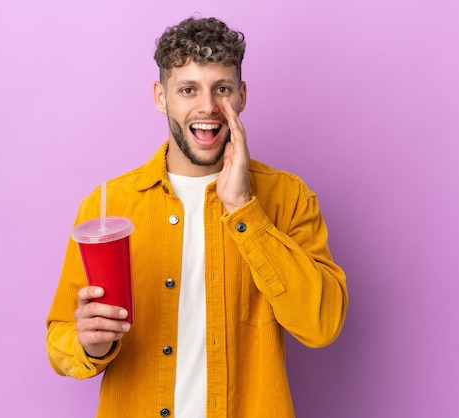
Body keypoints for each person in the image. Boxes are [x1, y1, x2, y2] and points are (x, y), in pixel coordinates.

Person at [46, 16, 348, 418]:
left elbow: (322, 324)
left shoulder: (288, 197)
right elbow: (60, 337)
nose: (207, 106)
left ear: (241, 95)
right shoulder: (107, 205)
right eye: (188, 89)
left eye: (221, 89)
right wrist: (89, 345)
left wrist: (243, 209)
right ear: (160, 96)